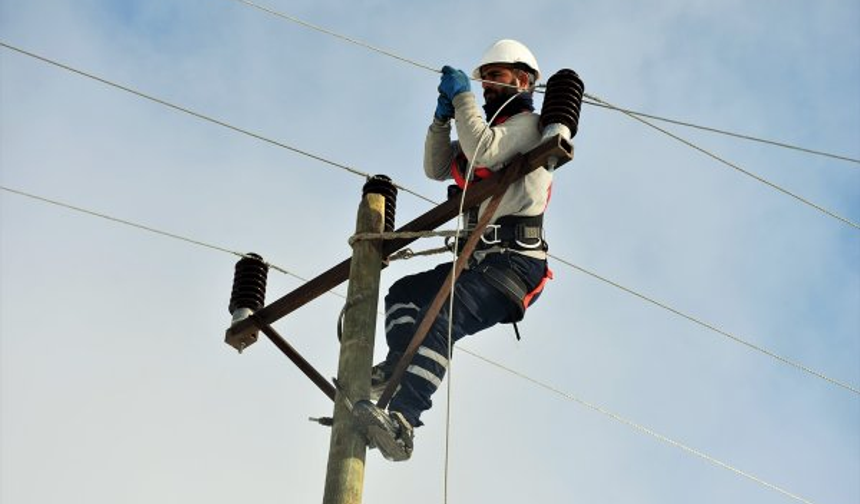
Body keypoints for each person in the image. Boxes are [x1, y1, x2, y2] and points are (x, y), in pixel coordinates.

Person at [353, 39, 555, 462]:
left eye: (494, 77)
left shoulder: (528, 127)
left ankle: (405, 421)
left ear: (522, 80)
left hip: (513, 265)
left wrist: (462, 97)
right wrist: (440, 119)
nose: (485, 86)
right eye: (482, 79)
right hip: (481, 261)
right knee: (405, 295)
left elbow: (483, 149)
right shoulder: (481, 131)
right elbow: (437, 167)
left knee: (442, 319)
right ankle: (398, 364)